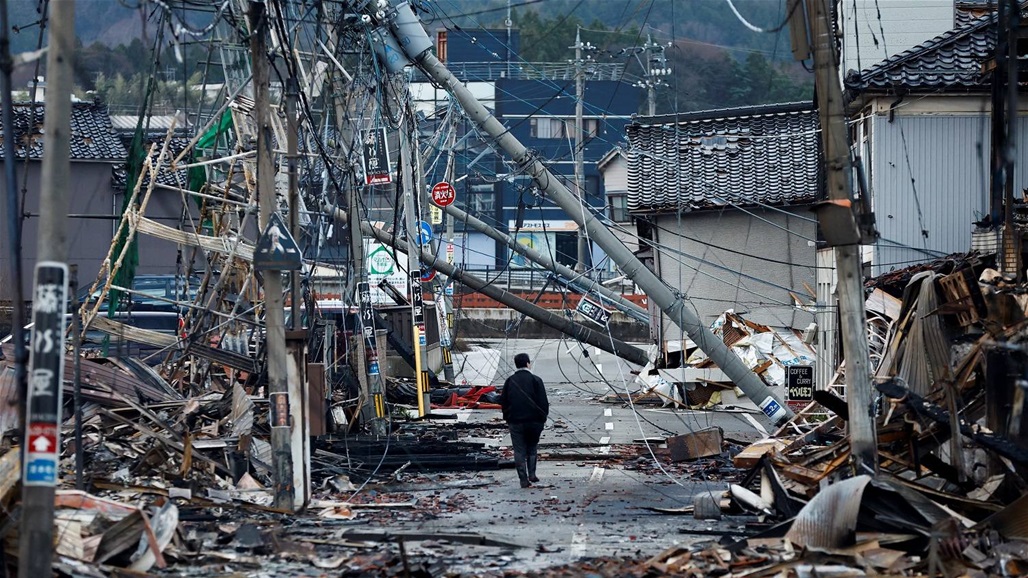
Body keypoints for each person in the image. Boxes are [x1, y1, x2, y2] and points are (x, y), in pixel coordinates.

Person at [500, 352, 549, 488]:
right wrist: (542, 418)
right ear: (528, 363)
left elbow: (503, 401)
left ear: (516, 365)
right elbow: (543, 402)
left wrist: (507, 417)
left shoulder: (510, 381)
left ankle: (523, 479)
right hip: (534, 421)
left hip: (515, 421)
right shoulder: (536, 380)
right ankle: (532, 474)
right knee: (532, 447)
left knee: (519, 450)